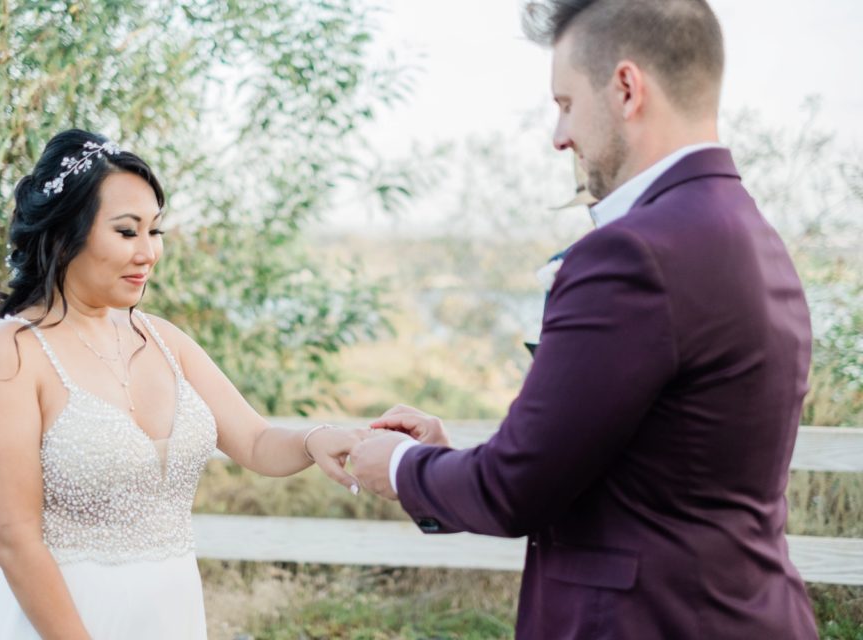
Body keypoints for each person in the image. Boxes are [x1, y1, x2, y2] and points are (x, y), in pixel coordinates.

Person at [349, 1, 819, 638]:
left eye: (565, 103)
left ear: (626, 88)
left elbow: (515, 488)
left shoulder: (634, 251)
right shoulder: (749, 232)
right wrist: (453, 460)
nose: (559, 136)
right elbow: (640, 470)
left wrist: (401, 465)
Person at [0, 129, 364, 640]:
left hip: (171, 616)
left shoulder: (166, 340)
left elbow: (258, 442)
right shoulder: (11, 351)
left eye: (155, 232)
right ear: (65, 235)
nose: (148, 252)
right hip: (64, 622)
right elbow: (15, 537)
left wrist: (314, 439)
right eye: (127, 232)